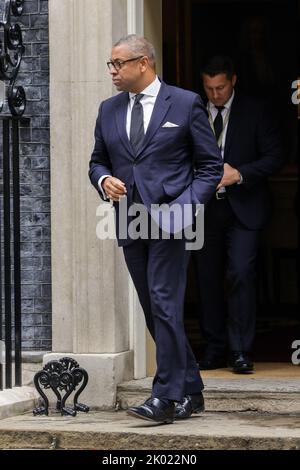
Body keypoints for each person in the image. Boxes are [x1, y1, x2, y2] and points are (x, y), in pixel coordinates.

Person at [89, 35, 223, 423]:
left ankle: (165, 396)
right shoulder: (108, 109)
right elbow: (97, 161)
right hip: (130, 220)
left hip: (172, 221)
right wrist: (103, 181)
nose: (112, 71)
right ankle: (193, 390)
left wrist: (184, 208)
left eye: (118, 63)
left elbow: (211, 167)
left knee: (164, 302)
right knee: (153, 310)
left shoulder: (184, 103)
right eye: (110, 64)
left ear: (143, 62)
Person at [194, 56, 283, 373]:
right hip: (204, 209)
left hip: (245, 207)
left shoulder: (256, 110)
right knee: (206, 279)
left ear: (233, 81)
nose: (215, 95)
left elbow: (275, 156)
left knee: (241, 274)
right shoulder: (193, 109)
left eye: (220, 87)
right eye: (209, 88)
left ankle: (240, 350)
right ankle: (214, 348)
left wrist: (239, 174)